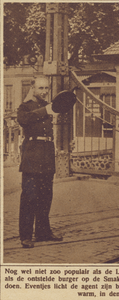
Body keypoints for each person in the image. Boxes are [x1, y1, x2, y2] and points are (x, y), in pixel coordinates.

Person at [17, 76, 63, 248]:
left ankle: (43, 232)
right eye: (41, 88)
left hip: (47, 156)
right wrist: (47, 111)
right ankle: (26, 236)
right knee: (29, 197)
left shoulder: (47, 106)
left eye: (46, 88)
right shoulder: (25, 106)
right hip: (31, 157)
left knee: (45, 197)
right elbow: (23, 119)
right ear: (33, 88)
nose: (44, 91)